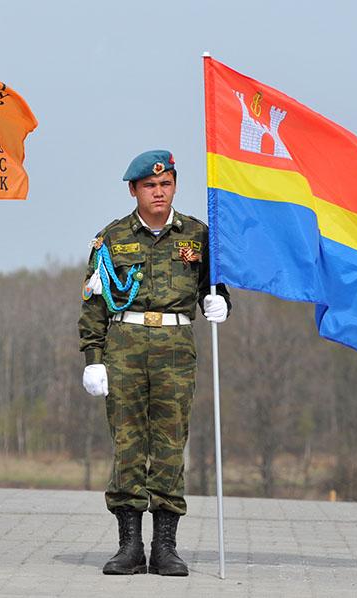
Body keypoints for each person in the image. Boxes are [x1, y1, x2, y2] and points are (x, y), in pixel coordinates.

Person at [78, 149, 231, 576]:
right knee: (128, 445)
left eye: (165, 184)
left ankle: (166, 547)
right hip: (124, 346)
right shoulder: (111, 237)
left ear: (175, 186)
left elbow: (211, 286)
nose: (159, 192)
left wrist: (219, 303)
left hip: (176, 346)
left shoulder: (198, 236)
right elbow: (93, 302)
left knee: (168, 446)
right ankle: (129, 546)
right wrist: (93, 357)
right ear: (134, 190)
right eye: (150, 186)